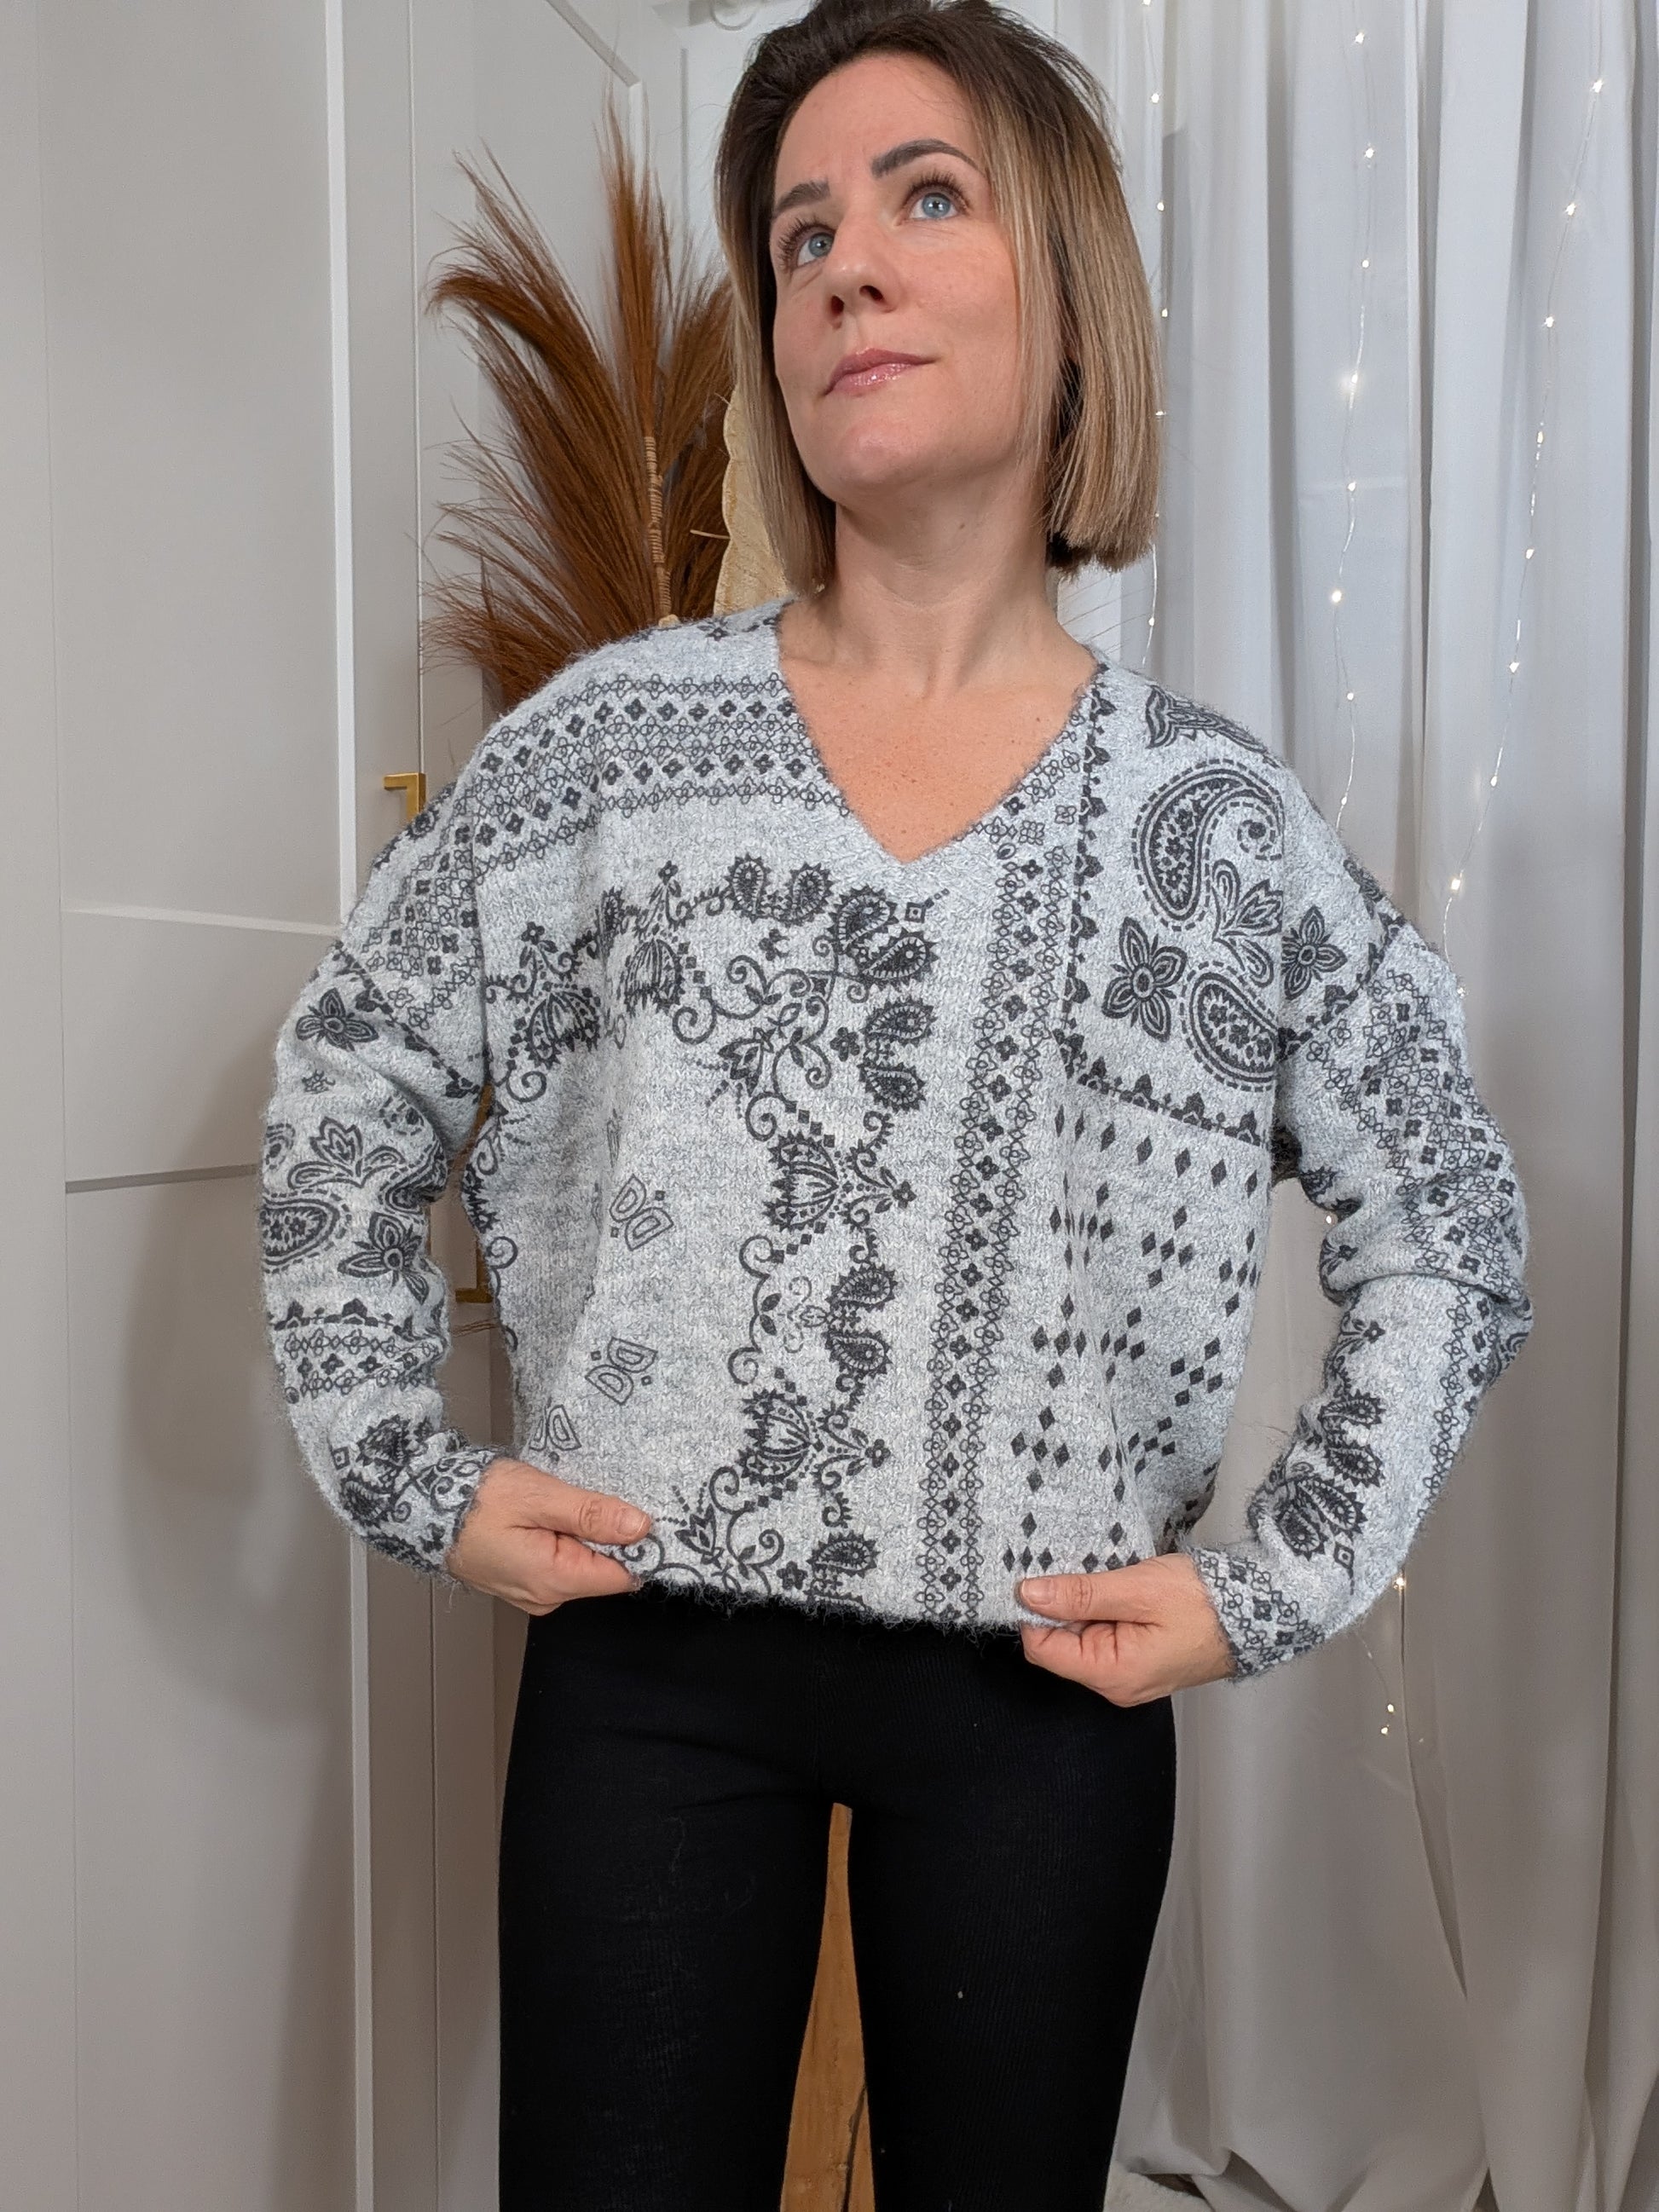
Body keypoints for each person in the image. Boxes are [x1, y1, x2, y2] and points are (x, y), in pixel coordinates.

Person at [257, 2, 1535, 2204]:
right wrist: (401, 1460)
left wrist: (1273, 1577)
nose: (844, 263)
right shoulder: (609, 750)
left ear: (1069, 288)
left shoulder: (1209, 827)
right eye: (799, 232)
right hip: (645, 1668)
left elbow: (1450, 1221)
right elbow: (350, 1080)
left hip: (1040, 1696)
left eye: (924, 197)